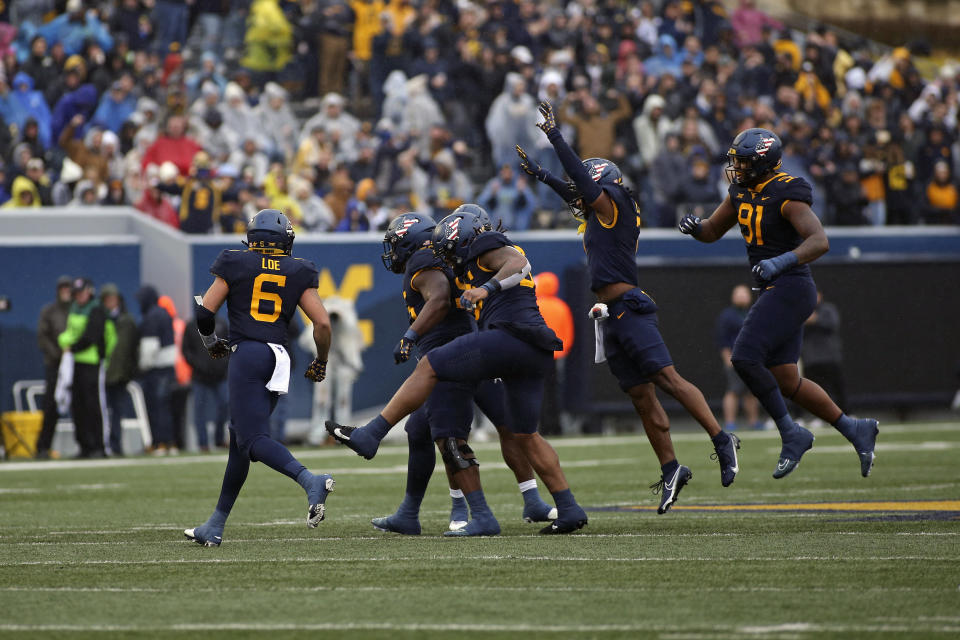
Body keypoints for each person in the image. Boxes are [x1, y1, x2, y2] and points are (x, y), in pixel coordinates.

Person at [519, 101, 741, 516]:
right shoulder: (605, 209)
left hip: (629, 307)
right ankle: (672, 468)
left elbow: (583, 186)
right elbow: (575, 191)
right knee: (641, 396)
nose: (581, 195)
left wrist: (555, 137)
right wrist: (543, 175)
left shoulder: (613, 201)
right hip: (610, 313)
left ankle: (720, 437)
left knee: (667, 379)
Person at [327, 206, 589, 535]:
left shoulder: (484, 244)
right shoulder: (477, 255)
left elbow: (516, 265)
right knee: (522, 433)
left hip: (506, 338)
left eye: (450, 249)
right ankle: (566, 508)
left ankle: (373, 434)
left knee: (433, 374)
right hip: (532, 349)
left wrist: (481, 292)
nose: (448, 258)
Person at [678, 128, 879, 479]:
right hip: (774, 287)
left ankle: (791, 432)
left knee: (743, 357)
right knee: (787, 379)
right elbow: (712, 230)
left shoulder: (787, 191)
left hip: (791, 285)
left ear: (763, 163)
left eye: (743, 161)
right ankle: (855, 429)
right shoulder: (740, 190)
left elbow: (819, 241)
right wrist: (696, 228)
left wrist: (782, 261)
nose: (736, 167)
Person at [370, 212, 556, 536]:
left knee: (453, 431)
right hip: (473, 348)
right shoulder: (450, 256)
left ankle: (474, 507)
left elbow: (441, 299)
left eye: (397, 243)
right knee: (429, 429)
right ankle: (417, 511)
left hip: (462, 355)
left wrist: (410, 336)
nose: (393, 251)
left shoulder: (427, 258)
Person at [184, 209, 335, 547]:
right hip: (278, 358)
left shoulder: (235, 262)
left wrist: (210, 342)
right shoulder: (298, 269)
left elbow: (205, 312)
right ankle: (216, 523)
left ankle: (311, 480)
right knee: (240, 441)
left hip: (248, 354)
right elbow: (323, 324)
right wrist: (321, 360)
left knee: (252, 440)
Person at [57, 278, 112, 459]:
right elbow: (69, 333)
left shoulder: (96, 309)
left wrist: (72, 346)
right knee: (78, 405)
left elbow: (91, 336)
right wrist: (66, 343)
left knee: (93, 404)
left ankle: (99, 446)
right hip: (76, 363)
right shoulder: (74, 308)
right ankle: (84, 445)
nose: (79, 296)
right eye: (76, 293)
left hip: (92, 362)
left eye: (81, 292)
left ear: (89, 291)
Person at [136, 285, 178, 455]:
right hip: (168, 367)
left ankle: (159, 443)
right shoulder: (164, 314)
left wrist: (142, 366)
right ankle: (169, 443)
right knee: (165, 407)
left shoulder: (152, 316)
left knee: (156, 407)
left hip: (157, 369)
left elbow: (150, 347)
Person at [35, 276, 73, 459]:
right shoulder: (49, 311)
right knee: (51, 405)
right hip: (55, 364)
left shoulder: (77, 310)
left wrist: (71, 354)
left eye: (68, 287)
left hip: (75, 364)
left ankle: (88, 445)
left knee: (81, 406)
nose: (66, 291)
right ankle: (43, 446)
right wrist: (59, 354)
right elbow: (43, 337)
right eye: (63, 288)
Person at [715, 284, 762, 431]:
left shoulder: (753, 313)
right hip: (734, 358)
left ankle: (754, 421)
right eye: (738, 294)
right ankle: (730, 422)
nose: (741, 296)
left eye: (744, 294)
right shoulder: (727, 315)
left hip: (752, 359)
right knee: (734, 390)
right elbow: (722, 339)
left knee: (751, 392)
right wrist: (727, 358)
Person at [182, 308, 230, 452]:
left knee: (224, 405)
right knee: (199, 410)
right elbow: (186, 350)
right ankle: (203, 443)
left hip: (220, 375)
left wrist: (223, 363)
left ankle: (219, 439)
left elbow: (229, 344)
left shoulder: (221, 323)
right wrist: (198, 365)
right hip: (200, 376)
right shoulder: (191, 326)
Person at [533, 271, 573, 437]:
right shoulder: (561, 306)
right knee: (554, 393)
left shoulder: (535, 305)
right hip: (556, 357)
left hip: (537, 355)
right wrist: (562, 352)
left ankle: (543, 427)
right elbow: (568, 333)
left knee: (538, 392)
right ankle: (556, 427)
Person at [101, 284, 139, 456]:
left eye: (112, 298)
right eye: (107, 299)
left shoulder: (126, 321)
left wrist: (129, 371)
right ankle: (102, 445)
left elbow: (130, 350)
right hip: (102, 373)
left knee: (116, 411)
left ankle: (115, 445)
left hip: (119, 375)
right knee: (102, 411)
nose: (110, 302)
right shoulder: (100, 319)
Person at [802, 290, 847, 416]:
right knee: (815, 390)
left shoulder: (828, 310)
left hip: (830, 357)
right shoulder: (801, 311)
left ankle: (846, 413)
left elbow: (833, 324)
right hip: (811, 359)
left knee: (838, 387)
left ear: (820, 295)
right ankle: (818, 416)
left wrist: (816, 320)